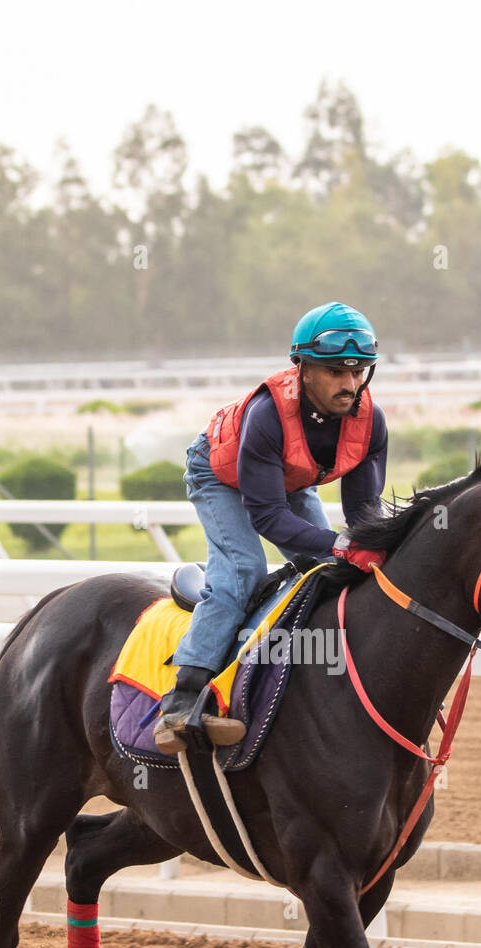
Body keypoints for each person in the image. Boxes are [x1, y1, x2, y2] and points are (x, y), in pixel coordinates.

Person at [154, 301, 389, 753]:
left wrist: (363, 547)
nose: (351, 384)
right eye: (337, 371)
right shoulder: (266, 415)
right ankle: (184, 697)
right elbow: (268, 518)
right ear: (302, 369)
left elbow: (362, 512)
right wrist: (342, 545)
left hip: (289, 475)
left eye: (359, 371)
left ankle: (305, 678)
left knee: (327, 569)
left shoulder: (370, 420)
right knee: (243, 569)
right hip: (219, 473)